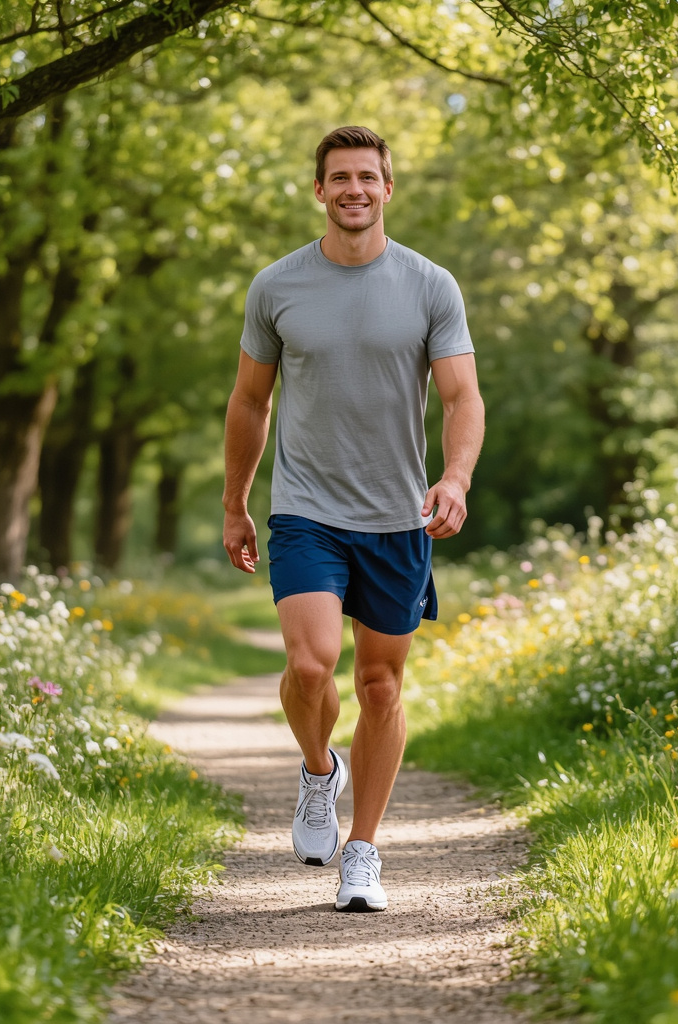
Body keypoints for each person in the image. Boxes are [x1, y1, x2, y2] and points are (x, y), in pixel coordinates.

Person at [222, 125, 484, 913]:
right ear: (320, 190)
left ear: (387, 189)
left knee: (379, 684)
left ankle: (363, 850)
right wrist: (235, 501)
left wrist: (456, 477)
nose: (354, 190)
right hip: (305, 508)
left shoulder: (430, 285)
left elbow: (462, 397)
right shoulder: (277, 286)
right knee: (312, 666)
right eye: (339, 177)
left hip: (398, 516)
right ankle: (315, 772)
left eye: (367, 176)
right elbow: (249, 400)